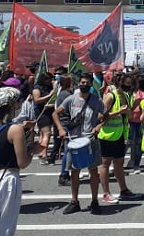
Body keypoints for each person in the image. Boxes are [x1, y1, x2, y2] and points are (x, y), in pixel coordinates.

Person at [52, 73, 105, 215]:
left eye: (87, 83)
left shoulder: (96, 101)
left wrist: (99, 126)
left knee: (93, 172)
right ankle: (74, 201)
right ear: (78, 83)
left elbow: (105, 116)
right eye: (82, 82)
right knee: (74, 172)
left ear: (91, 84)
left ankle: (95, 201)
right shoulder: (71, 99)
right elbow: (55, 113)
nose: (84, 85)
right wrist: (60, 129)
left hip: (91, 140)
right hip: (74, 140)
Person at [0, 87, 33, 236]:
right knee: (5, 226)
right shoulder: (15, 130)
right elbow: (22, 162)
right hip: (7, 180)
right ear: (13, 105)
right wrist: (32, 150)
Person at [96, 72, 134, 204]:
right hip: (106, 135)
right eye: (127, 84)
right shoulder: (110, 96)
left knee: (119, 163)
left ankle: (124, 190)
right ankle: (106, 193)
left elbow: (129, 116)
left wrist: (128, 112)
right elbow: (100, 116)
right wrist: (118, 112)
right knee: (105, 164)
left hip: (120, 135)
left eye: (130, 84)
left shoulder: (126, 96)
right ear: (119, 82)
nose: (128, 86)